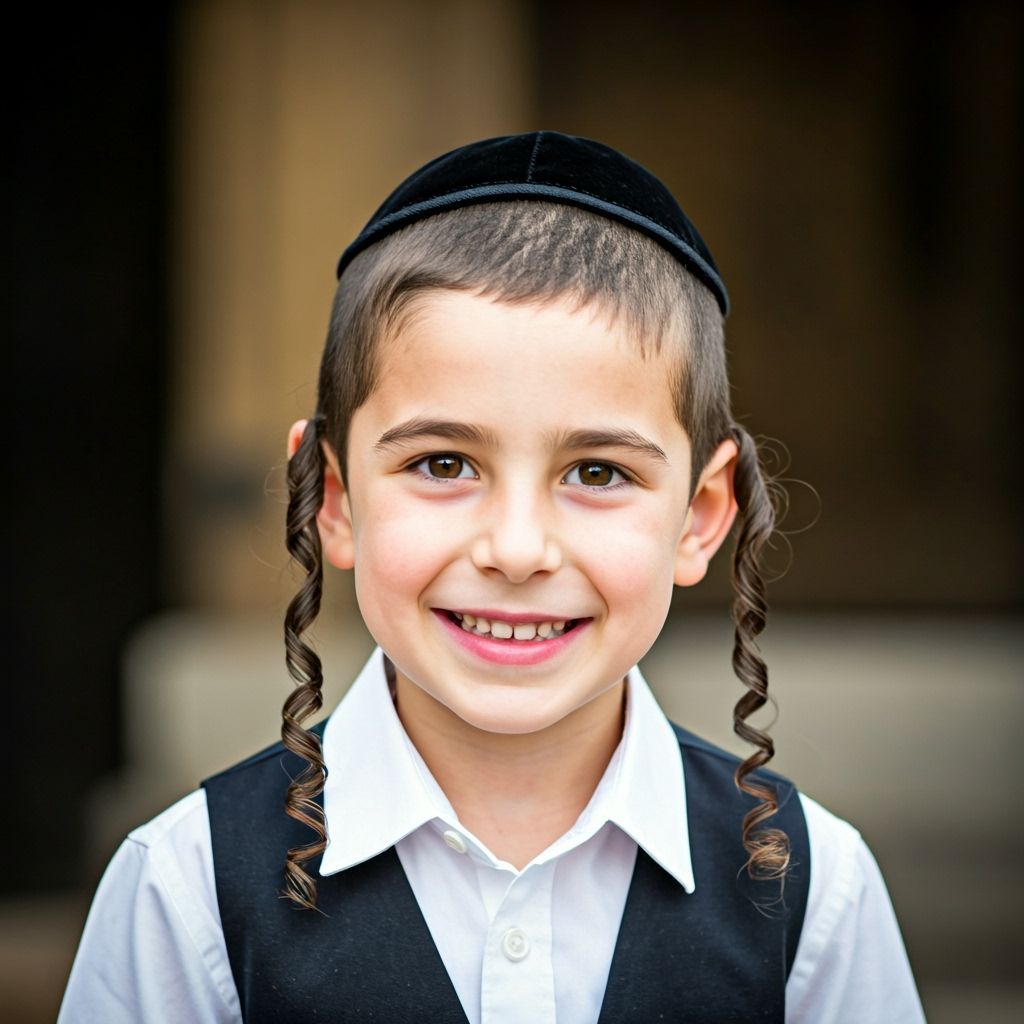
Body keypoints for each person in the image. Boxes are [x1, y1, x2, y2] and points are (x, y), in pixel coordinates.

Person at [59, 131, 926, 1023]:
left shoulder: (818, 893)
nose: (516, 550)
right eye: (442, 463)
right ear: (333, 496)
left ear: (700, 517)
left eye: (597, 472)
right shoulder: (187, 887)